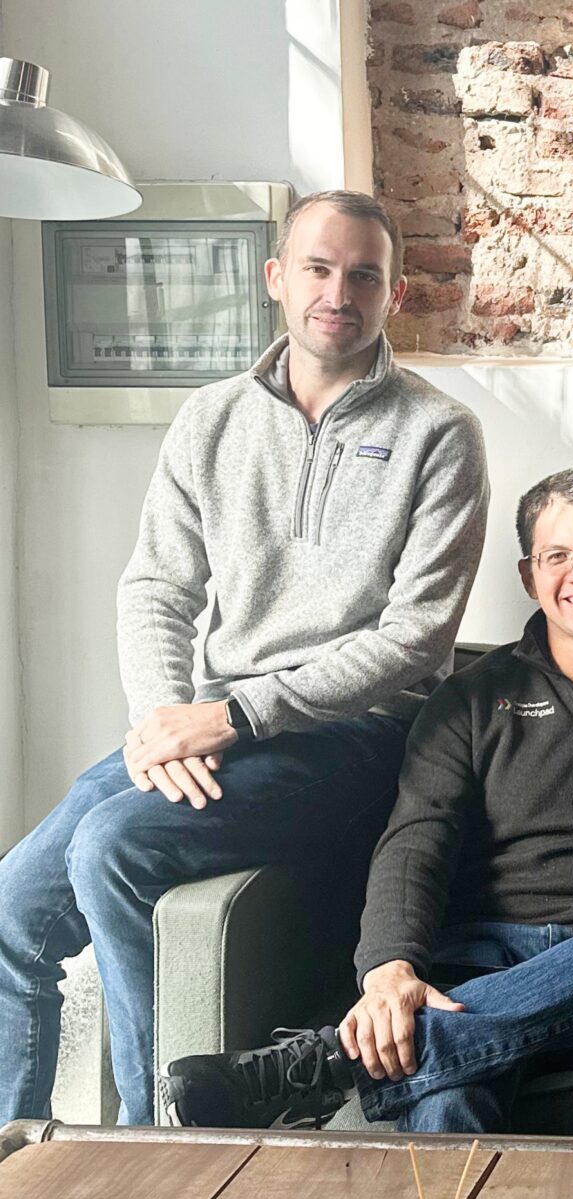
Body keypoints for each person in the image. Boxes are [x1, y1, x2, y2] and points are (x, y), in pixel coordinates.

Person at [0, 190, 490, 1126]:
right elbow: (155, 588)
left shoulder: (440, 433)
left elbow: (416, 638)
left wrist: (232, 716)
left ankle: (159, 1143)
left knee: (112, 843)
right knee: (13, 908)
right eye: (318, 268)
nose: (338, 293)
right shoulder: (211, 417)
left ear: (393, 294)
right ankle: (14, 1159)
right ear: (276, 278)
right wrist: (162, 721)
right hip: (212, 723)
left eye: (364, 276)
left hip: (358, 737)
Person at [159, 469, 573, 1132]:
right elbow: (417, 842)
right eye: (557, 555)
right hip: (484, 960)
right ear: (528, 576)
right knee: (445, 1101)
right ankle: (419, 1072)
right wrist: (389, 968)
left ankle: (334, 1065)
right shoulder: (471, 697)